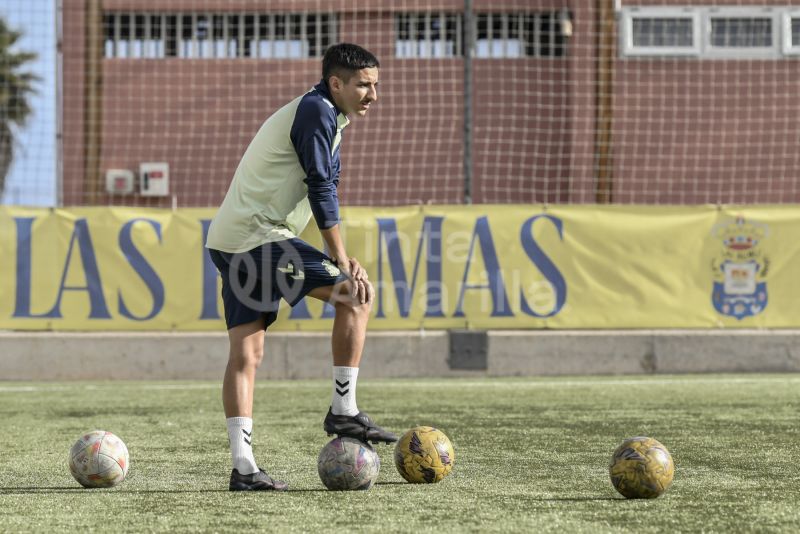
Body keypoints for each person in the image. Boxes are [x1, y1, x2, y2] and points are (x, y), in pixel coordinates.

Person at [205, 43, 397, 492]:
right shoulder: (316, 112)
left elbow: (323, 187)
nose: (373, 94)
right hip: (256, 238)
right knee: (355, 297)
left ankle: (244, 468)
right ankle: (343, 412)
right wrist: (342, 258)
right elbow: (320, 188)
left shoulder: (328, 117)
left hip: (231, 241)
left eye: (376, 85)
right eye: (364, 85)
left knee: (246, 355)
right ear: (337, 84)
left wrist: (340, 255)